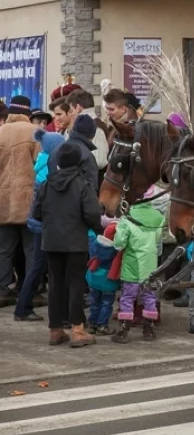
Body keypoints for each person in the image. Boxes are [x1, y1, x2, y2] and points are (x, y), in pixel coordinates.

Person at [33, 142, 102, 347]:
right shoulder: (83, 184)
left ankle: (55, 330)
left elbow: (36, 213)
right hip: (76, 242)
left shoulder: (46, 184)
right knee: (76, 285)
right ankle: (78, 330)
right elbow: (92, 214)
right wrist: (96, 227)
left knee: (55, 285)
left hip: (51, 242)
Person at [14, 128, 65, 322]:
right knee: (37, 267)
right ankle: (23, 308)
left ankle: (23, 308)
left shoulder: (44, 163)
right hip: (43, 225)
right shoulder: (48, 171)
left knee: (38, 266)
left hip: (37, 224)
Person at [111, 187, 166, 343]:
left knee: (127, 297)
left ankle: (124, 330)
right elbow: (157, 240)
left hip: (132, 265)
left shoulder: (127, 218)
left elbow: (119, 244)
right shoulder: (158, 217)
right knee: (149, 296)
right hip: (151, 265)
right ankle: (148, 329)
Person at [0, 97, 40, 304]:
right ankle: (30, 290)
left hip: (4, 201)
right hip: (29, 200)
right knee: (31, 248)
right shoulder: (34, 133)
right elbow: (41, 166)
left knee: (4, 248)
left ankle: (3, 288)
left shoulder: (1, 132)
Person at [48, 114, 100, 191]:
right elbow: (91, 189)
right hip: (77, 202)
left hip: (52, 200)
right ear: (92, 135)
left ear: (74, 130)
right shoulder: (88, 156)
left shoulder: (55, 151)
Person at [85, 222, 120, 335]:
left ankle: (91, 323)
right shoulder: (117, 250)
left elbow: (90, 237)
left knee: (95, 302)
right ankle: (102, 325)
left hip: (94, 279)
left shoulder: (96, 244)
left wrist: (89, 229)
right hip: (108, 282)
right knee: (106, 304)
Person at [65, 89, 109, 172]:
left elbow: (100, 161)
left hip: (91, 182)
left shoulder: (97, 128)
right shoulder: (79, 126)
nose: (70, 114)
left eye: (71, 110)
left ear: (78, 108)